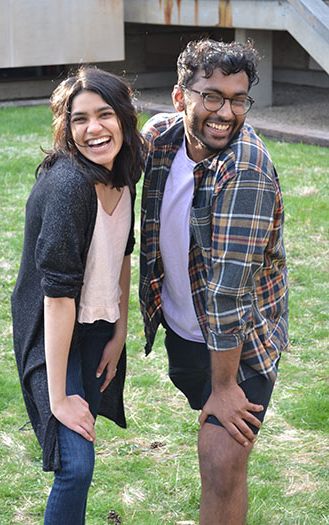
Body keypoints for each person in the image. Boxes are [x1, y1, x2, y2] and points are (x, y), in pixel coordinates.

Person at [140, 39, 289, 524]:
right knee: (220, 459)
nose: (226, 112)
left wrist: (225, 387)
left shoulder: (244, 169)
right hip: (185, 335)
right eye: (212, 96)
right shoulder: (161, 138)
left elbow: (230, 289)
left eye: (238, 99)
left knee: (222, 462)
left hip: (238, 348)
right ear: (180, 97)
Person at [11, 66, 145, 524]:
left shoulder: (127, 169)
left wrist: (120, 329)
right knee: (75, 465)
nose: (93, 129)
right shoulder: (70, 187)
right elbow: (56, 297)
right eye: (79, 119)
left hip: (96, 327)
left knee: (79, 462)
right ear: (65, 127)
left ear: (124, 119)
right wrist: (58, 398)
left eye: (104, 114)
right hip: (54, 330)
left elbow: (124, 250)